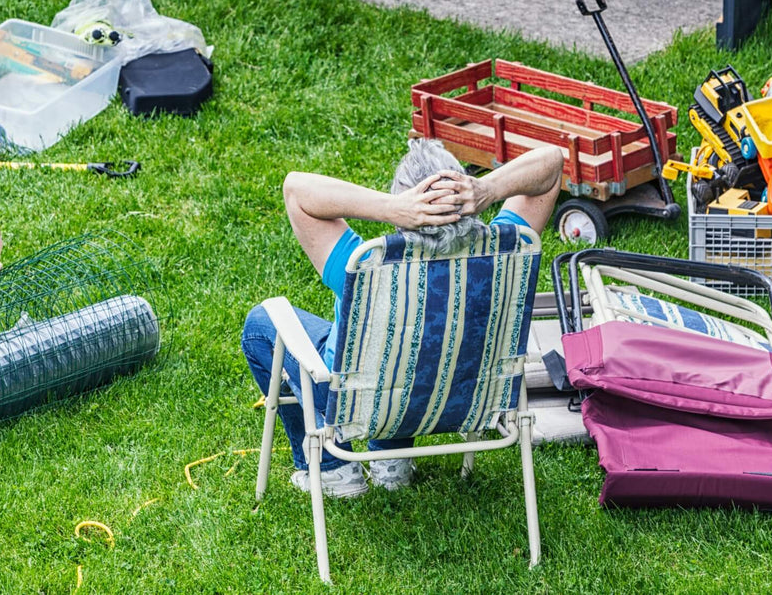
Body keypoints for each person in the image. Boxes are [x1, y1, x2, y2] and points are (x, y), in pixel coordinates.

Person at [241, 139, 563, 498]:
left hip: (364, 401)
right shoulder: (506, 254)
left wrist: (392, 208)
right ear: (467, 194)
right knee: (417, 353)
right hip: (462, 399)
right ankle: (391, 459)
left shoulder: (366, 269)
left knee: (260, 326)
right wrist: (490, 188)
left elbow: (296, 188)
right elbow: (552, 163)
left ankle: (333, 471)